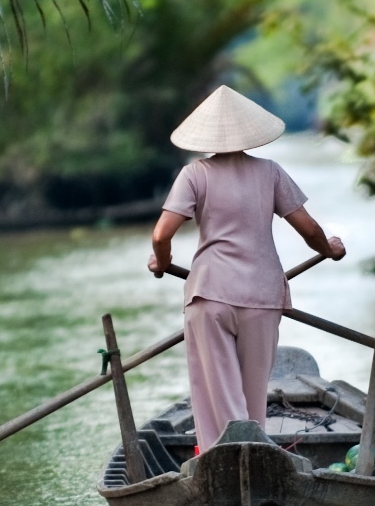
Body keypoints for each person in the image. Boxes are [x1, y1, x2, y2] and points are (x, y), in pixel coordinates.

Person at [148, 85, 345, 451]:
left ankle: (220, 457)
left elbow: (162, 235)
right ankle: (254, 454)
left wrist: (160, 262)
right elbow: (310, 231)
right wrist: (329, 250)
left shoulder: (194, 175)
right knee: (253, 398)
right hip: (261, 296)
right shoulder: (270, 172)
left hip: (209, 294)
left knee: (215, 394)